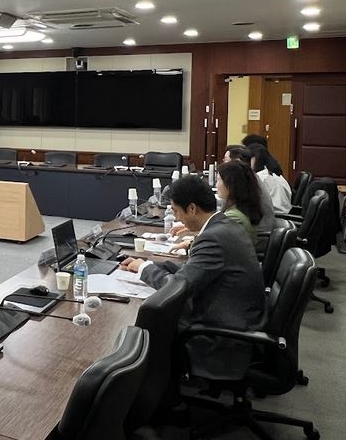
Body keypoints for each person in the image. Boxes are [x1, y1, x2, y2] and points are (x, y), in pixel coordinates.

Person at [120, 175, 265, 381]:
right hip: (238, 317)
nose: (177, 218)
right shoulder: (224, 225)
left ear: (192, 208)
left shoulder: (213, 238)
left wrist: (144, 268)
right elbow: (190, 269)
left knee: (149, 323)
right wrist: (151, 265)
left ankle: (158, 399)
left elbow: (178, 289)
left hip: (222, 339)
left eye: (177, 211)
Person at [248, 143, 292, 213]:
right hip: (281, 216)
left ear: (255, 158)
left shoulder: (263, 177)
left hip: (274, 218)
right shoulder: (275, 174)